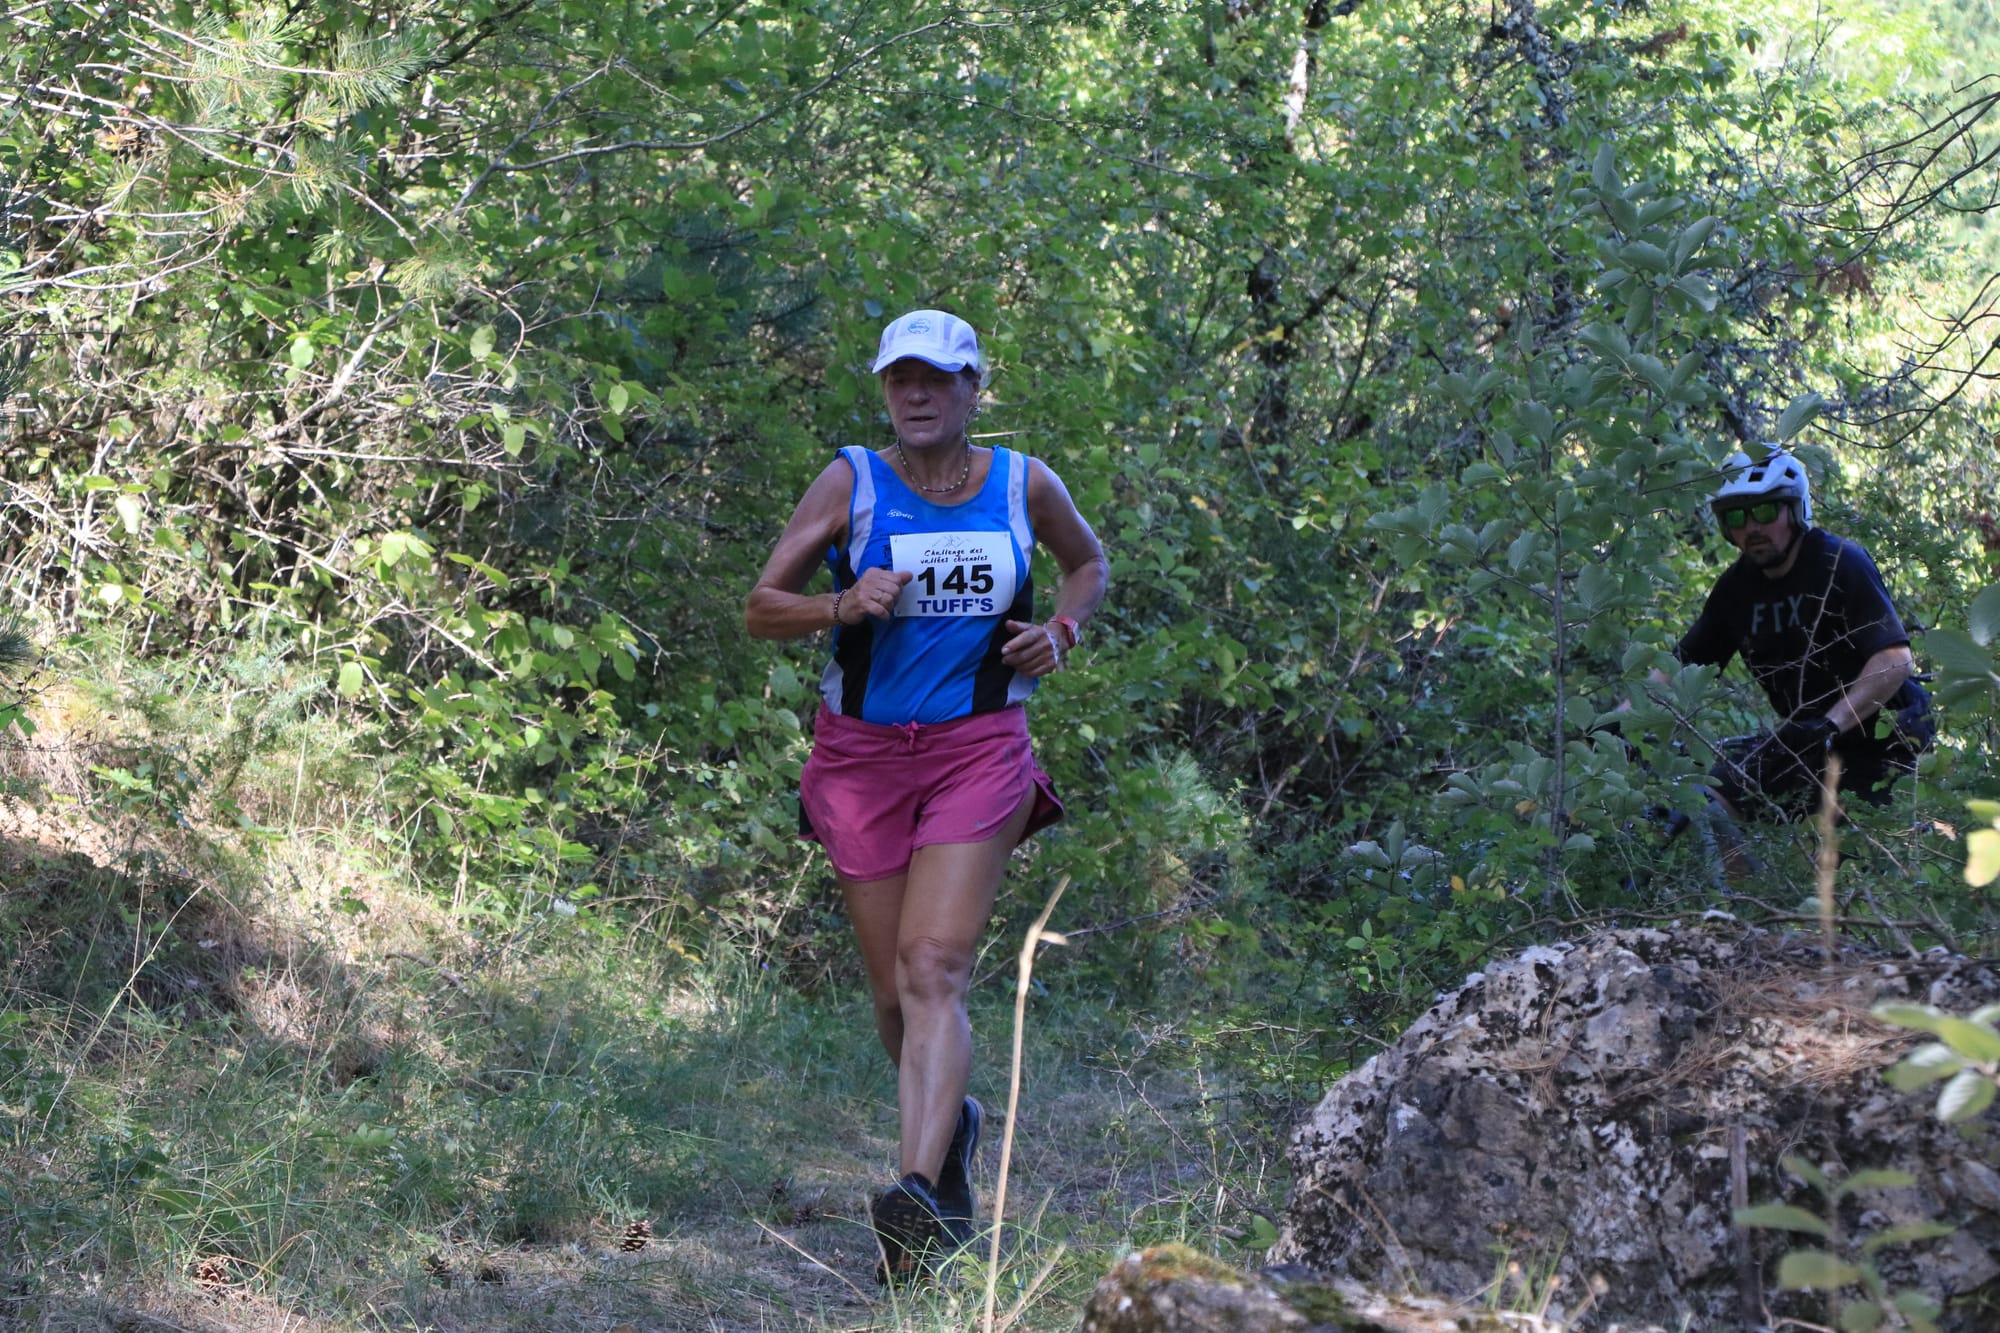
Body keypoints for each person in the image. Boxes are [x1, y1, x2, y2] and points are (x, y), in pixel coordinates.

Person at [743, 310, 1108, 1282]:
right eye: (900, 378)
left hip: (976, 750)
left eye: (936, 379)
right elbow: (758, 608)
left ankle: (914, 1197)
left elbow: (1088, 564)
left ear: (971, 388)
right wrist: (835, 603)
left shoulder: (1022, 481)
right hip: (860, 757)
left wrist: (1061, 634)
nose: (916, 394)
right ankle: (949, 1135)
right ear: (883, 388)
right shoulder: (849, 481)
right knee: (890, 993)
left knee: (933, 964)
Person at [1669, 448, 1933, 840]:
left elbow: (1894, 659)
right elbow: (1677, 669)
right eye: (1738, 517)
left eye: (1764, 512)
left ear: (1794, 510)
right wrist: (1611, 724)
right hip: (1805, 744)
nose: (1752, 527)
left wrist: (1829, 724)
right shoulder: (1735, 590)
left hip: (1886, 742)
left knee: (1853, 865)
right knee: (1707, 797)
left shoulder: (1839, 562)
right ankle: (1738, 898)